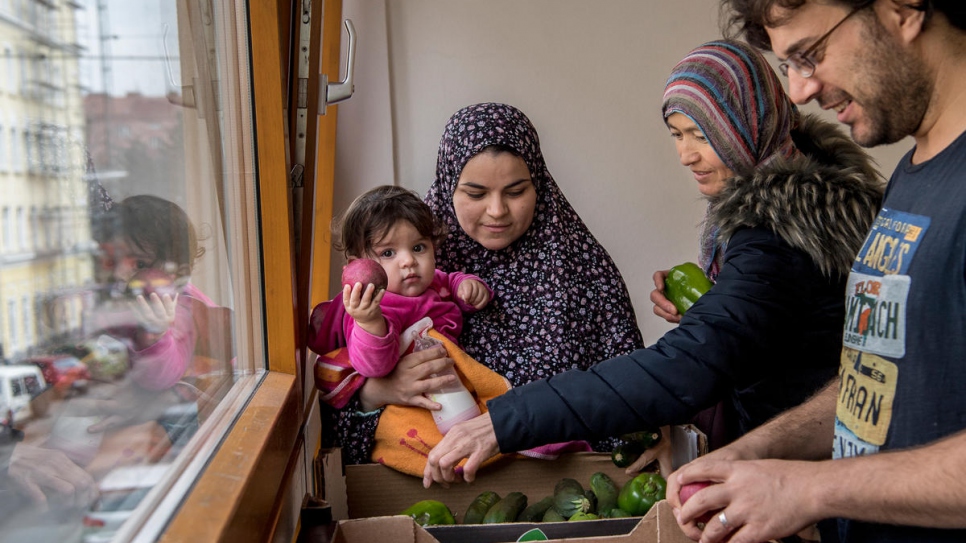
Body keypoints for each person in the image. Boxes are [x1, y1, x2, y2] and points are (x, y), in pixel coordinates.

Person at [422, 40, 884, 489]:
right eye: (677, 134)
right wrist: (715, 300)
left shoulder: (776, 236)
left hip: (808, 470)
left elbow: (690, 363)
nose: (686, 155)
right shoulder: (802, 206)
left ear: (750, 123)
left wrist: (504, 421)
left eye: (702, 135)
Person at [664, 2, 966, 543]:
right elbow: (877, 378)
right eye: (788, 67)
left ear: (903, 9)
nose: (800, 92)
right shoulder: (911, 178)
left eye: (810, 54)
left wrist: (808, 489)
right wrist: (758, 448)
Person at [312, 102, 645, 465]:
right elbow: (337, 432)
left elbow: (629, 394)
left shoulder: (585, 271)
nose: (497, 210)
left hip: (565, 487)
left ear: (540, 185)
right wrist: (376, 393)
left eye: (516, 191)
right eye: (475, 194)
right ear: (448, 185)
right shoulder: (408, 265)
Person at [329, 184, 491, 378]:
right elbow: (373, 369)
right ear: (359, 266)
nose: (409, 261)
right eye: (388, 253)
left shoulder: (434, 282)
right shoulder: (372, 309)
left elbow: (450, 280)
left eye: (418, 248)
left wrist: (467, 286)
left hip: (452, 380)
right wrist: (370, 323)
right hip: (410, 396)